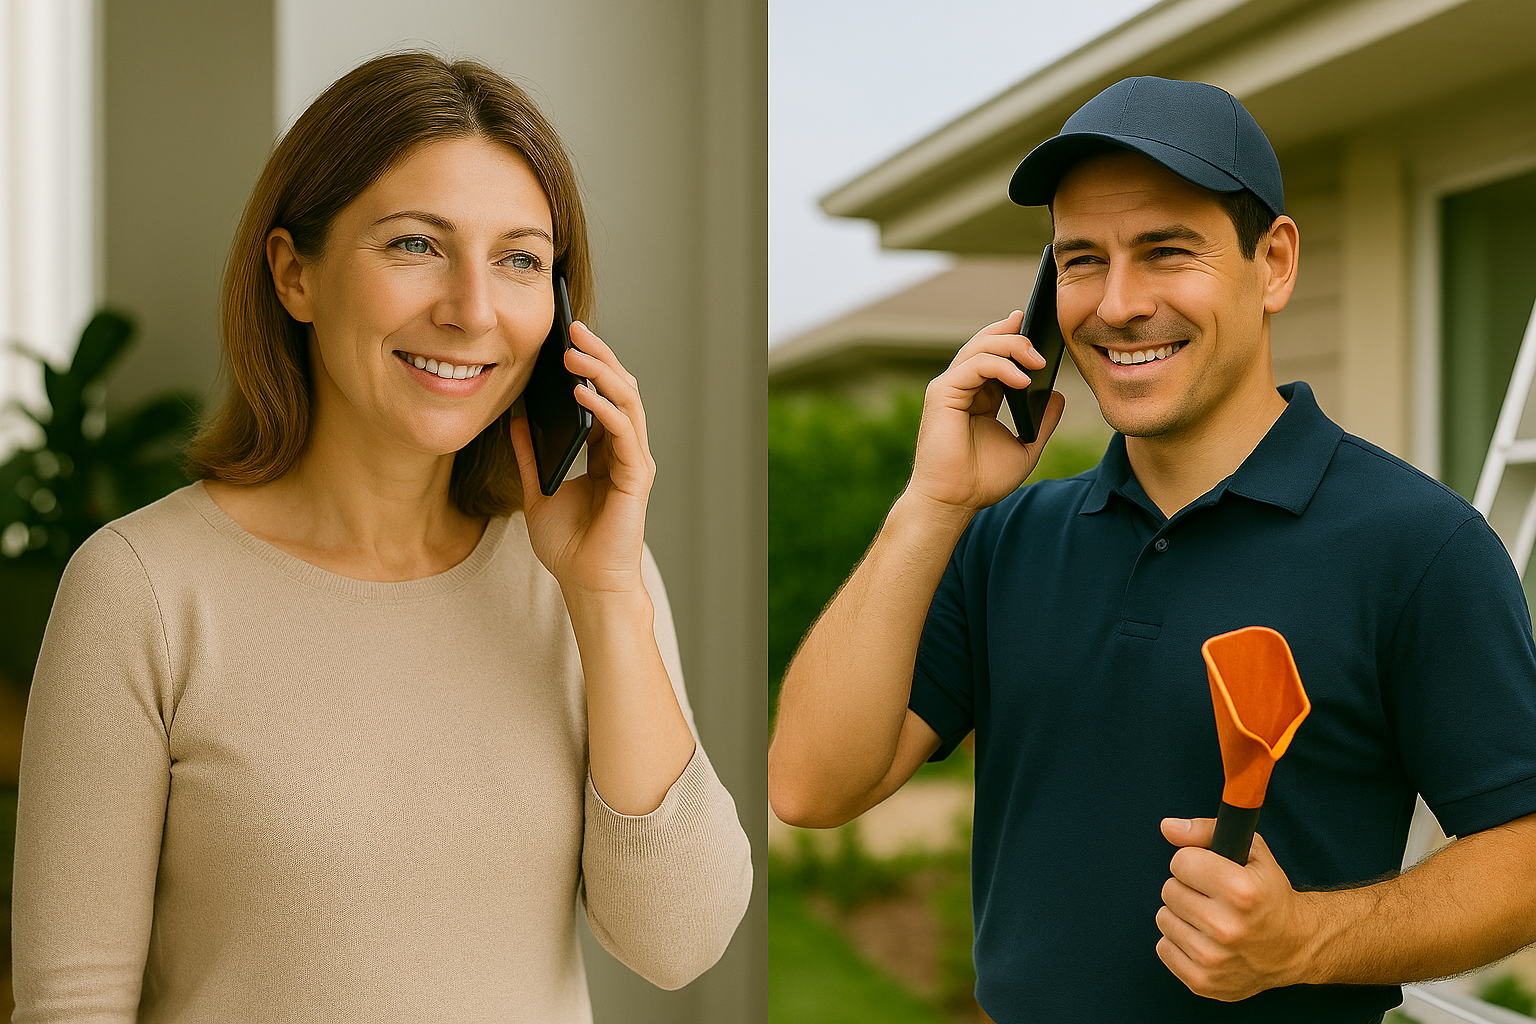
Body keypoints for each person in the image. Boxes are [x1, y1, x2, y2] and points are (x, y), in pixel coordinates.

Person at [769, 76, 1536, 1023]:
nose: (1118, 305)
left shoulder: (1418, 546)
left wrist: (1305, 941)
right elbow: (808, 785)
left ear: (1276, 265)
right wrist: (932, 503)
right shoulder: (1008, 537)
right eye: (1081, 260)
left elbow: (1525, 852)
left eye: (1167, 252)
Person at [13, 52, 751, 1023]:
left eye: (521, 259)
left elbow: (678, 941)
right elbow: (72, 1004)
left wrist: (607, 595)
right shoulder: (142, 587)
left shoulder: (587, 580)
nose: (472, 310)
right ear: (294, 273)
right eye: (415, 244)